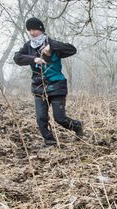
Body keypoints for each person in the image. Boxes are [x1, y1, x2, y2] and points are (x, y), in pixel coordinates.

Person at [13, 17, 82, 147]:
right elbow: (17, 58)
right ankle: (50, 142)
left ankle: (77, 126)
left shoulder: (52, 43)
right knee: (41, 119)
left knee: (60, 118)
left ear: (41, 30)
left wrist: (51, 47)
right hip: (39, 87)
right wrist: (34, 59)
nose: (32, 32)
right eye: (30, 30)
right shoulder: (28, 46)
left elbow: (72, 49)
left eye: (35, 29)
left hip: (57, 85)